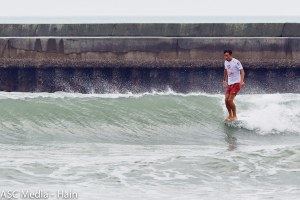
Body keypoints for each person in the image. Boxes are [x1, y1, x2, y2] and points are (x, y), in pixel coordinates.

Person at [223, 50, 245, 121]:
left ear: (230, 55)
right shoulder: (225, 62)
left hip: (236, 83)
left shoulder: (236, 62)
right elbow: (226, 70)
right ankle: (230, 115)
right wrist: (224, 79)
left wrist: (241, 81)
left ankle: (235, 116)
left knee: (230, 100)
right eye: (225, 55)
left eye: (227, 55)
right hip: (230, 83)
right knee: (226, 100)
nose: (226, 57)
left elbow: (242, 71)